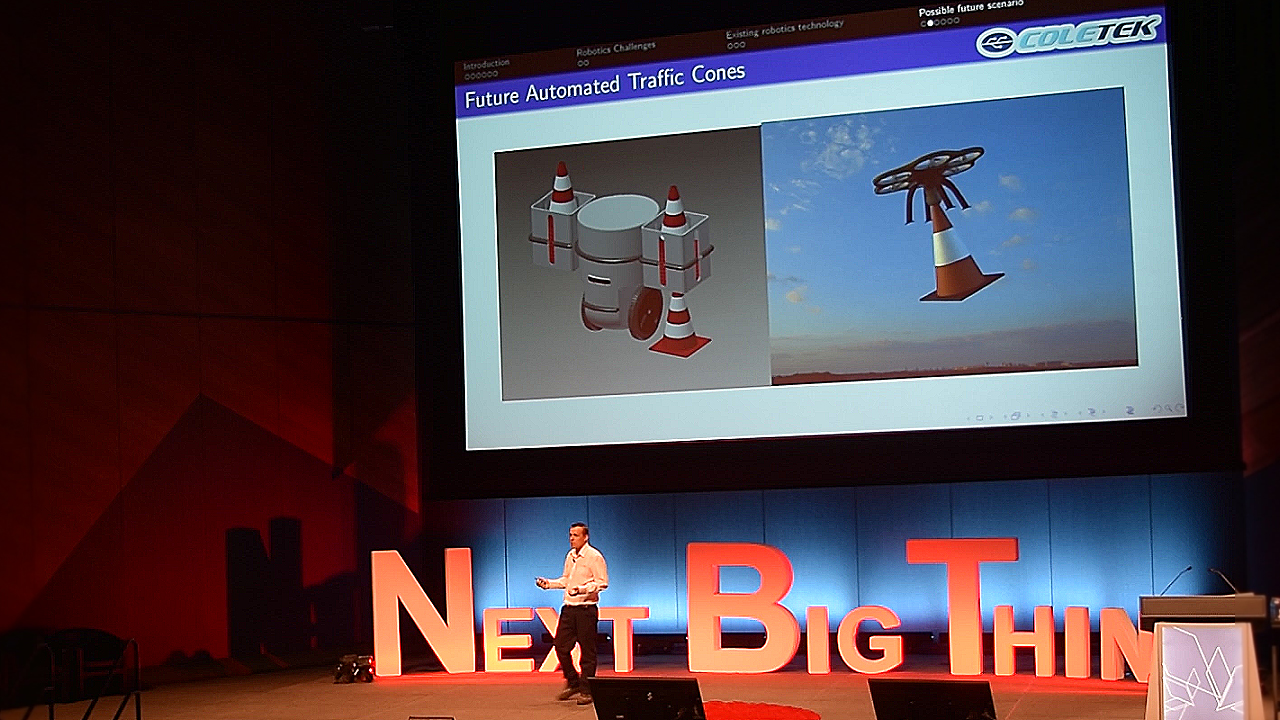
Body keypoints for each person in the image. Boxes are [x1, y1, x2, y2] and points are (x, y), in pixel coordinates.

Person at [535, 522, 608, 705]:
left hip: (586, 609)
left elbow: (602, 582)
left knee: (587, 652)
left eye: (576, 535)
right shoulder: (570, 556)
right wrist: (549, 584)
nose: (572, 539)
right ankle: (573, 681)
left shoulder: (594, 556)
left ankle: (587, 690)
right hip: (569, 609)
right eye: (570, 535)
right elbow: (566, 580)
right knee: (560, 646)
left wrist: (582, 589)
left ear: (585, 537)